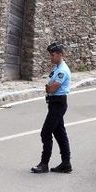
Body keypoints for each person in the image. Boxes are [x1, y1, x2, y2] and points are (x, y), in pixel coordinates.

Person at [31, 42, 72, 174]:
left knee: (46, 132)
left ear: (60, 54)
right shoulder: (57, 67)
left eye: (53, 55)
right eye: (50, 55)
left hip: (58, 103)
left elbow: (52, 88)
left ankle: (44, 164)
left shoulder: (62, 70)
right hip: (54, 102)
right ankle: (66, 163)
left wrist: (49, 88)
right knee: (59, 133)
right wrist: (49, 88)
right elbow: (49, 85)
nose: (51, 57)